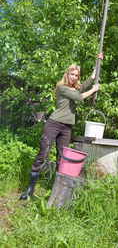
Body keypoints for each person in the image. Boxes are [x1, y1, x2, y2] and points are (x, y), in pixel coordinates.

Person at [20, 53, 103, 200]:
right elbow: (79, 97)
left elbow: (91, 79)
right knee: (43, 154)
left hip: (66, 128)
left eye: (76, 75)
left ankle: (57, 191)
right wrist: (93, 90)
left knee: (62, 158)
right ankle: (29, 190)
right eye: (72, 74)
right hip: (54, 124)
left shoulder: (76, 88)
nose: (74, 77)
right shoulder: (62, 87)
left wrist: (98, 61)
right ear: (67, 74)